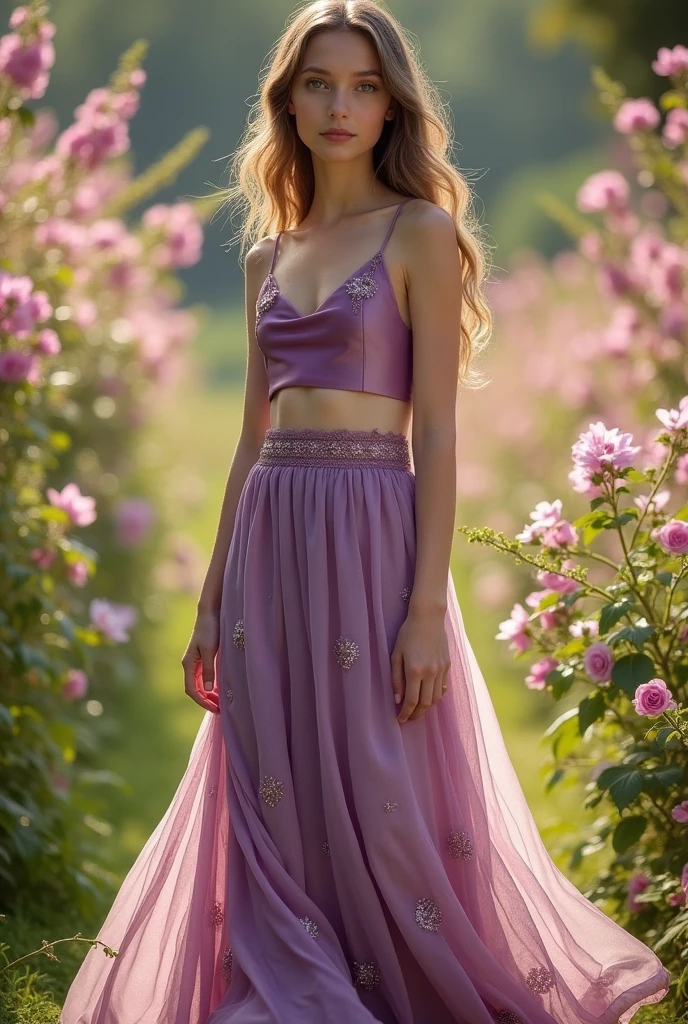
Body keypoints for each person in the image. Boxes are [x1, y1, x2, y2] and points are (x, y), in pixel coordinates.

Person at [61, 2, 672, 1022]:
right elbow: (250, 439)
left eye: (361, 85)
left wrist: (426, 605)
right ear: (287, 102)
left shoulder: (419, 235)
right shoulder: (266, 259)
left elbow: (433, 431)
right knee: (272, 773)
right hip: (271, 534)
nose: (339, 105)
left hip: (371, 528)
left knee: (381, 778)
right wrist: (211, 601)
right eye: (317, 84)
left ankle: (394, 971)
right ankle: (290, 965)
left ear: (391, 104)